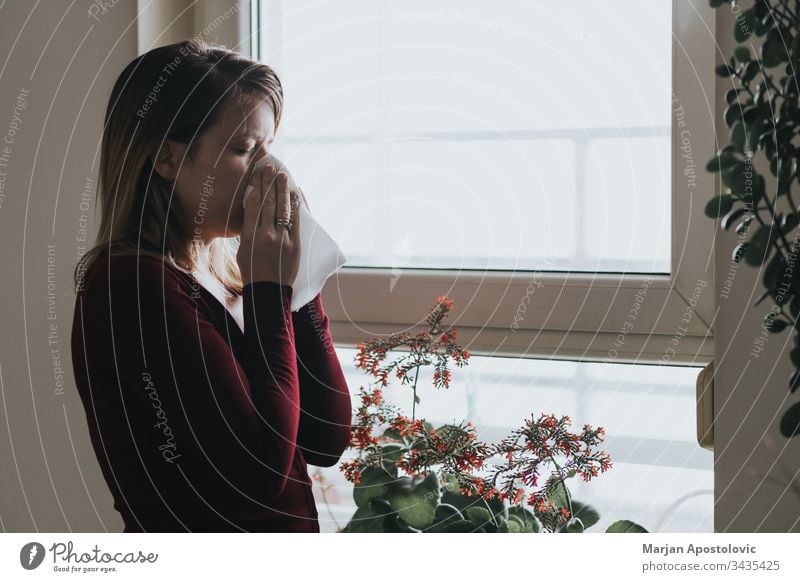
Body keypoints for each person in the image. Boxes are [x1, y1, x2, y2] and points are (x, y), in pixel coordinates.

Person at [70, 39, 352, 532]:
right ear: (167, 159)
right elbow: (258, 469)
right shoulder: (131, 287)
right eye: (246, 149)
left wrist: (297, 278)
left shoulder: (232, 275)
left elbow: (326, 435)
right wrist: (270, 287)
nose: (272, 170)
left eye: (270, 147)